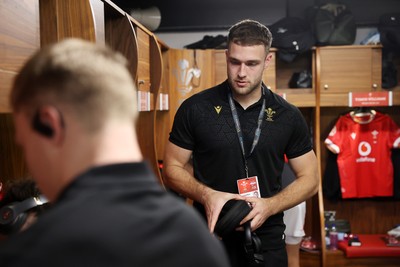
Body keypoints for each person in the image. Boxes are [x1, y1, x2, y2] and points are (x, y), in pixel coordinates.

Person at [0, 38, 230, 267]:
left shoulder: (28, 253)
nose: (29, 160)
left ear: (51, 125)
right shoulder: (197, 239)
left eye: (25, 144)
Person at [163, 19, 319, 267]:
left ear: (267, 61)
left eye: (252, 63)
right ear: (226, 56)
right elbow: (171, 169)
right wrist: (206, 195)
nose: (242, 73)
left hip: (265, 240)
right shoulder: (195, 109)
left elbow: (311, 179)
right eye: (235, 62)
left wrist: (269, 205)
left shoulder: (288, 116)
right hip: (210, 236)